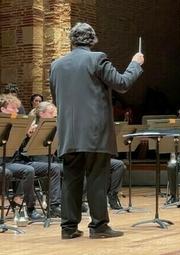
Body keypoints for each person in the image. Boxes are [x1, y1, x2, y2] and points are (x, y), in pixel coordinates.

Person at [50, 22, 144, 239]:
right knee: (96, 178)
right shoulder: (97, 58)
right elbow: (121, 83)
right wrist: (135, 64)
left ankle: (69, 228)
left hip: (68, 132)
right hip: (94, 131)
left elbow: (57, 99)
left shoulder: (56, 64)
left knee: (71, 180)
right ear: (93, 40)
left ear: (71, 40)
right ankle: (99, 226)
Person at [0, 94, 42, 221]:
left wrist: (26, 136)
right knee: (5, 172)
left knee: (28, 170)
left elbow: (17, 146)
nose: (17, 111)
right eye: (13, 108)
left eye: (18, 108)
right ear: (3, 109)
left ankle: (30, 208)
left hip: (9, 161)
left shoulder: (16, 124)